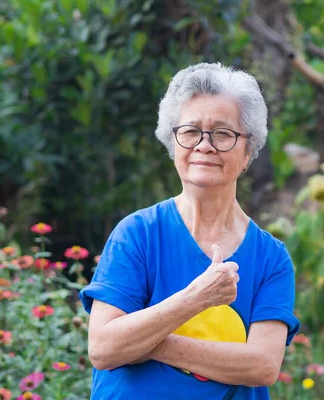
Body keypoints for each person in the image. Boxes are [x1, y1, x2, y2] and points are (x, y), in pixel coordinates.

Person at [79, 62, 300, 399]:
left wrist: (147, 343)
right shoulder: (137, 235)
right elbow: (105, 348)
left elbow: (262, 366)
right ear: (174, 143)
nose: (204, 145)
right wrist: (196, 298)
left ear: (248, 152)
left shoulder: (271, 259)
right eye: (190, 131)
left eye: (223, 133)